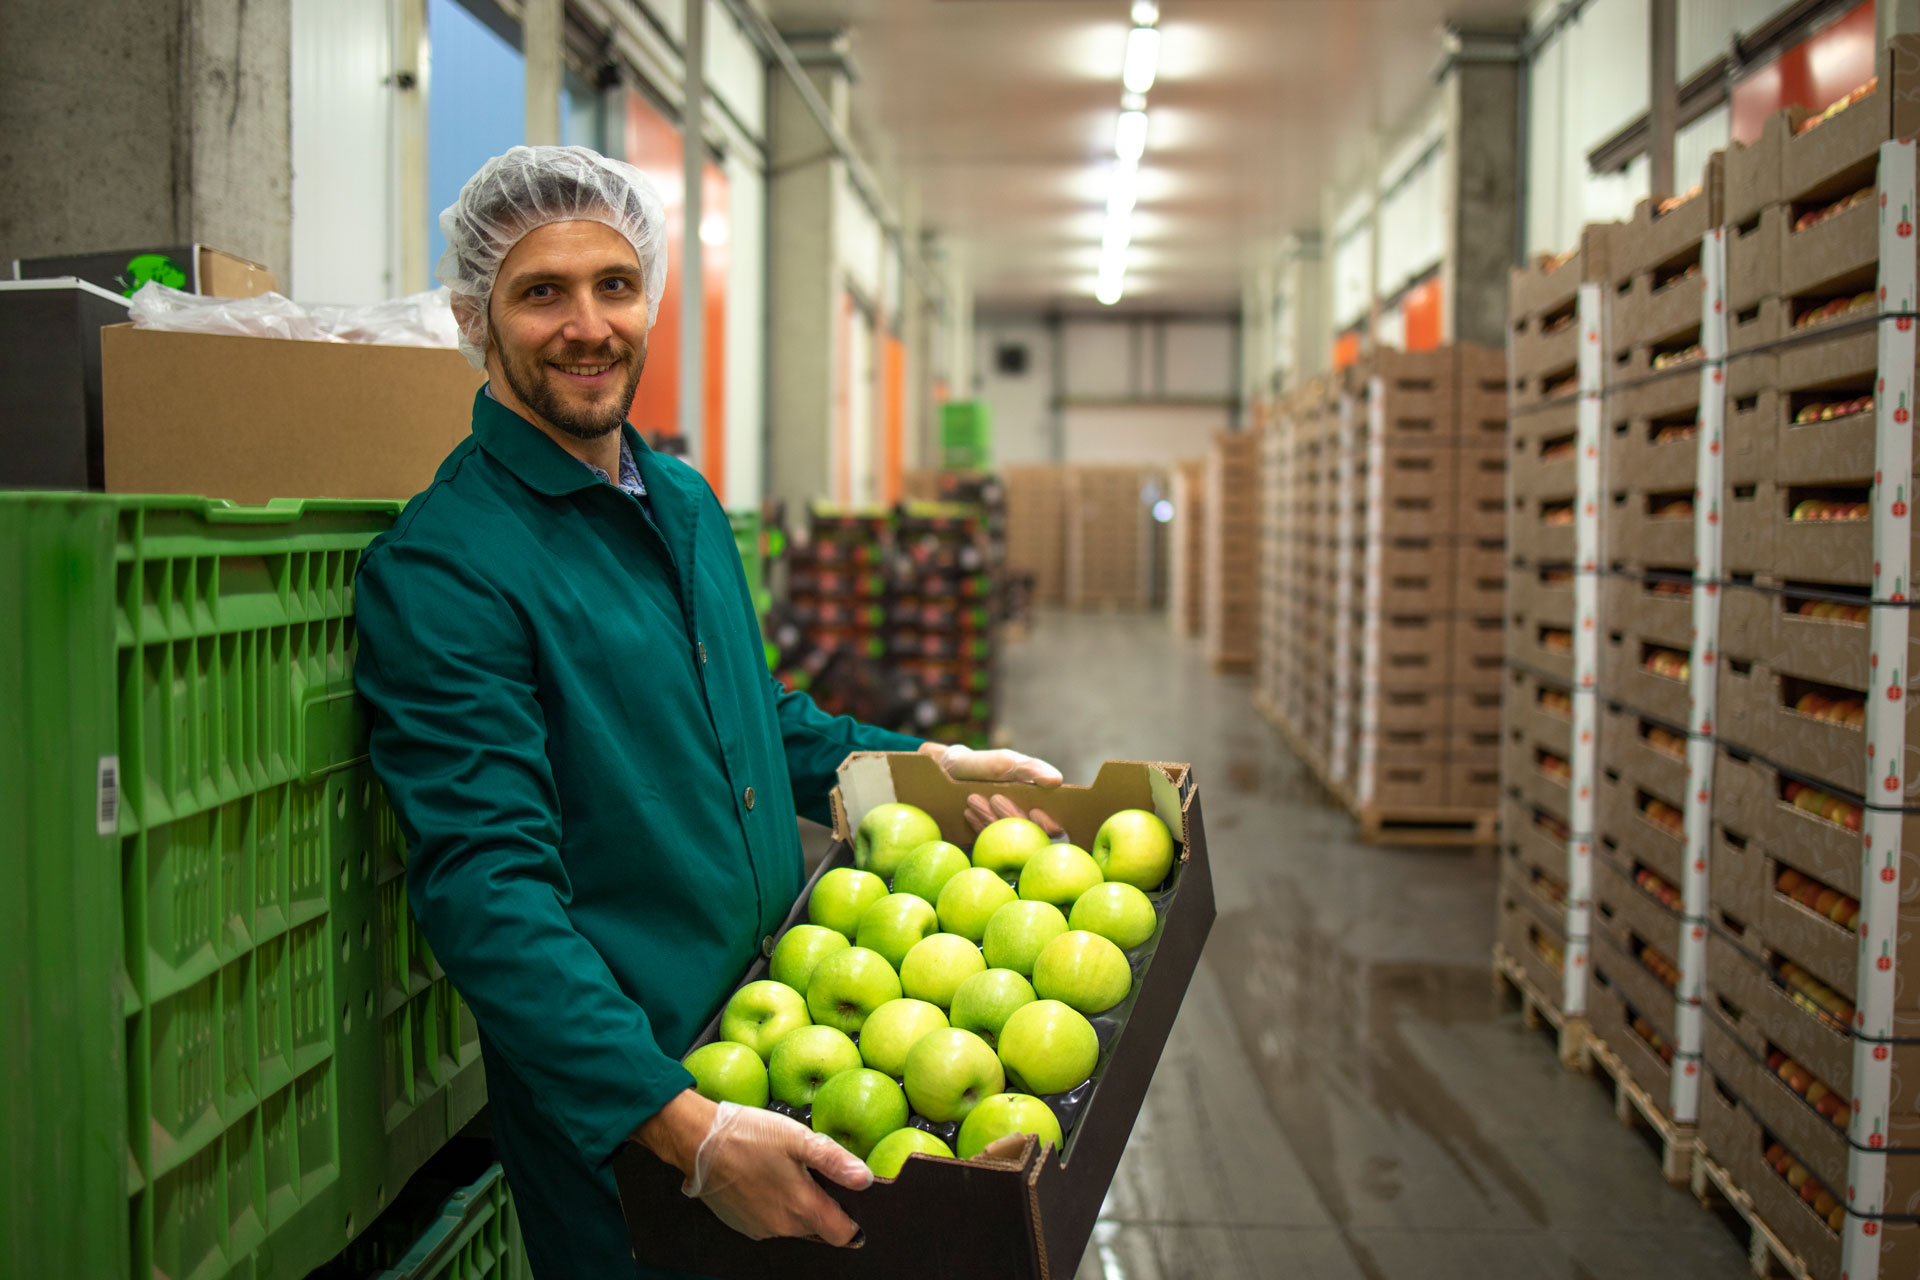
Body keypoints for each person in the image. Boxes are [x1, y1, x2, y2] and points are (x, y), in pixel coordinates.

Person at [352, 146, 1063, 1279]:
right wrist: (686, 1126)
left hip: (787, 1034)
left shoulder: (677, 497)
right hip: (636, 1116)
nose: (588, 324)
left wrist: (921, 758)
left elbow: (753, 720)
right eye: (542, 292)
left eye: (616, 285)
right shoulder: (449, 567)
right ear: (476, 319)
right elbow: (487, 888)